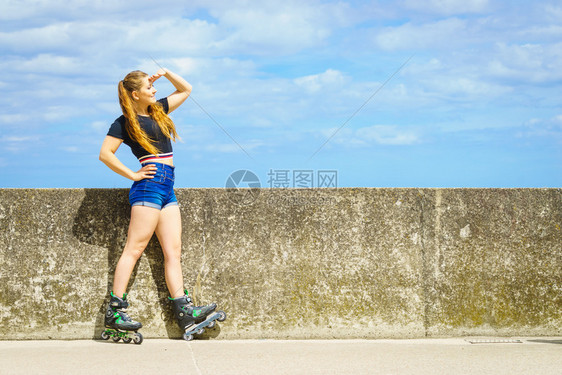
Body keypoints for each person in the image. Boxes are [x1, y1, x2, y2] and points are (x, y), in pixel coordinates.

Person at [99, 68, 216, 338]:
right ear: (134, 94)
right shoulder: (124, 122)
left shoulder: (158, 110)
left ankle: (184, 312)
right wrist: (132, 174)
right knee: (134, 248)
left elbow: (186, 89)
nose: (154, 90)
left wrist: (165, 74)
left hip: (167, 186)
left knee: (173, 251)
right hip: (148, 186)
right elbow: (105, 154)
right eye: (148, 88)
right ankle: (115, 311)